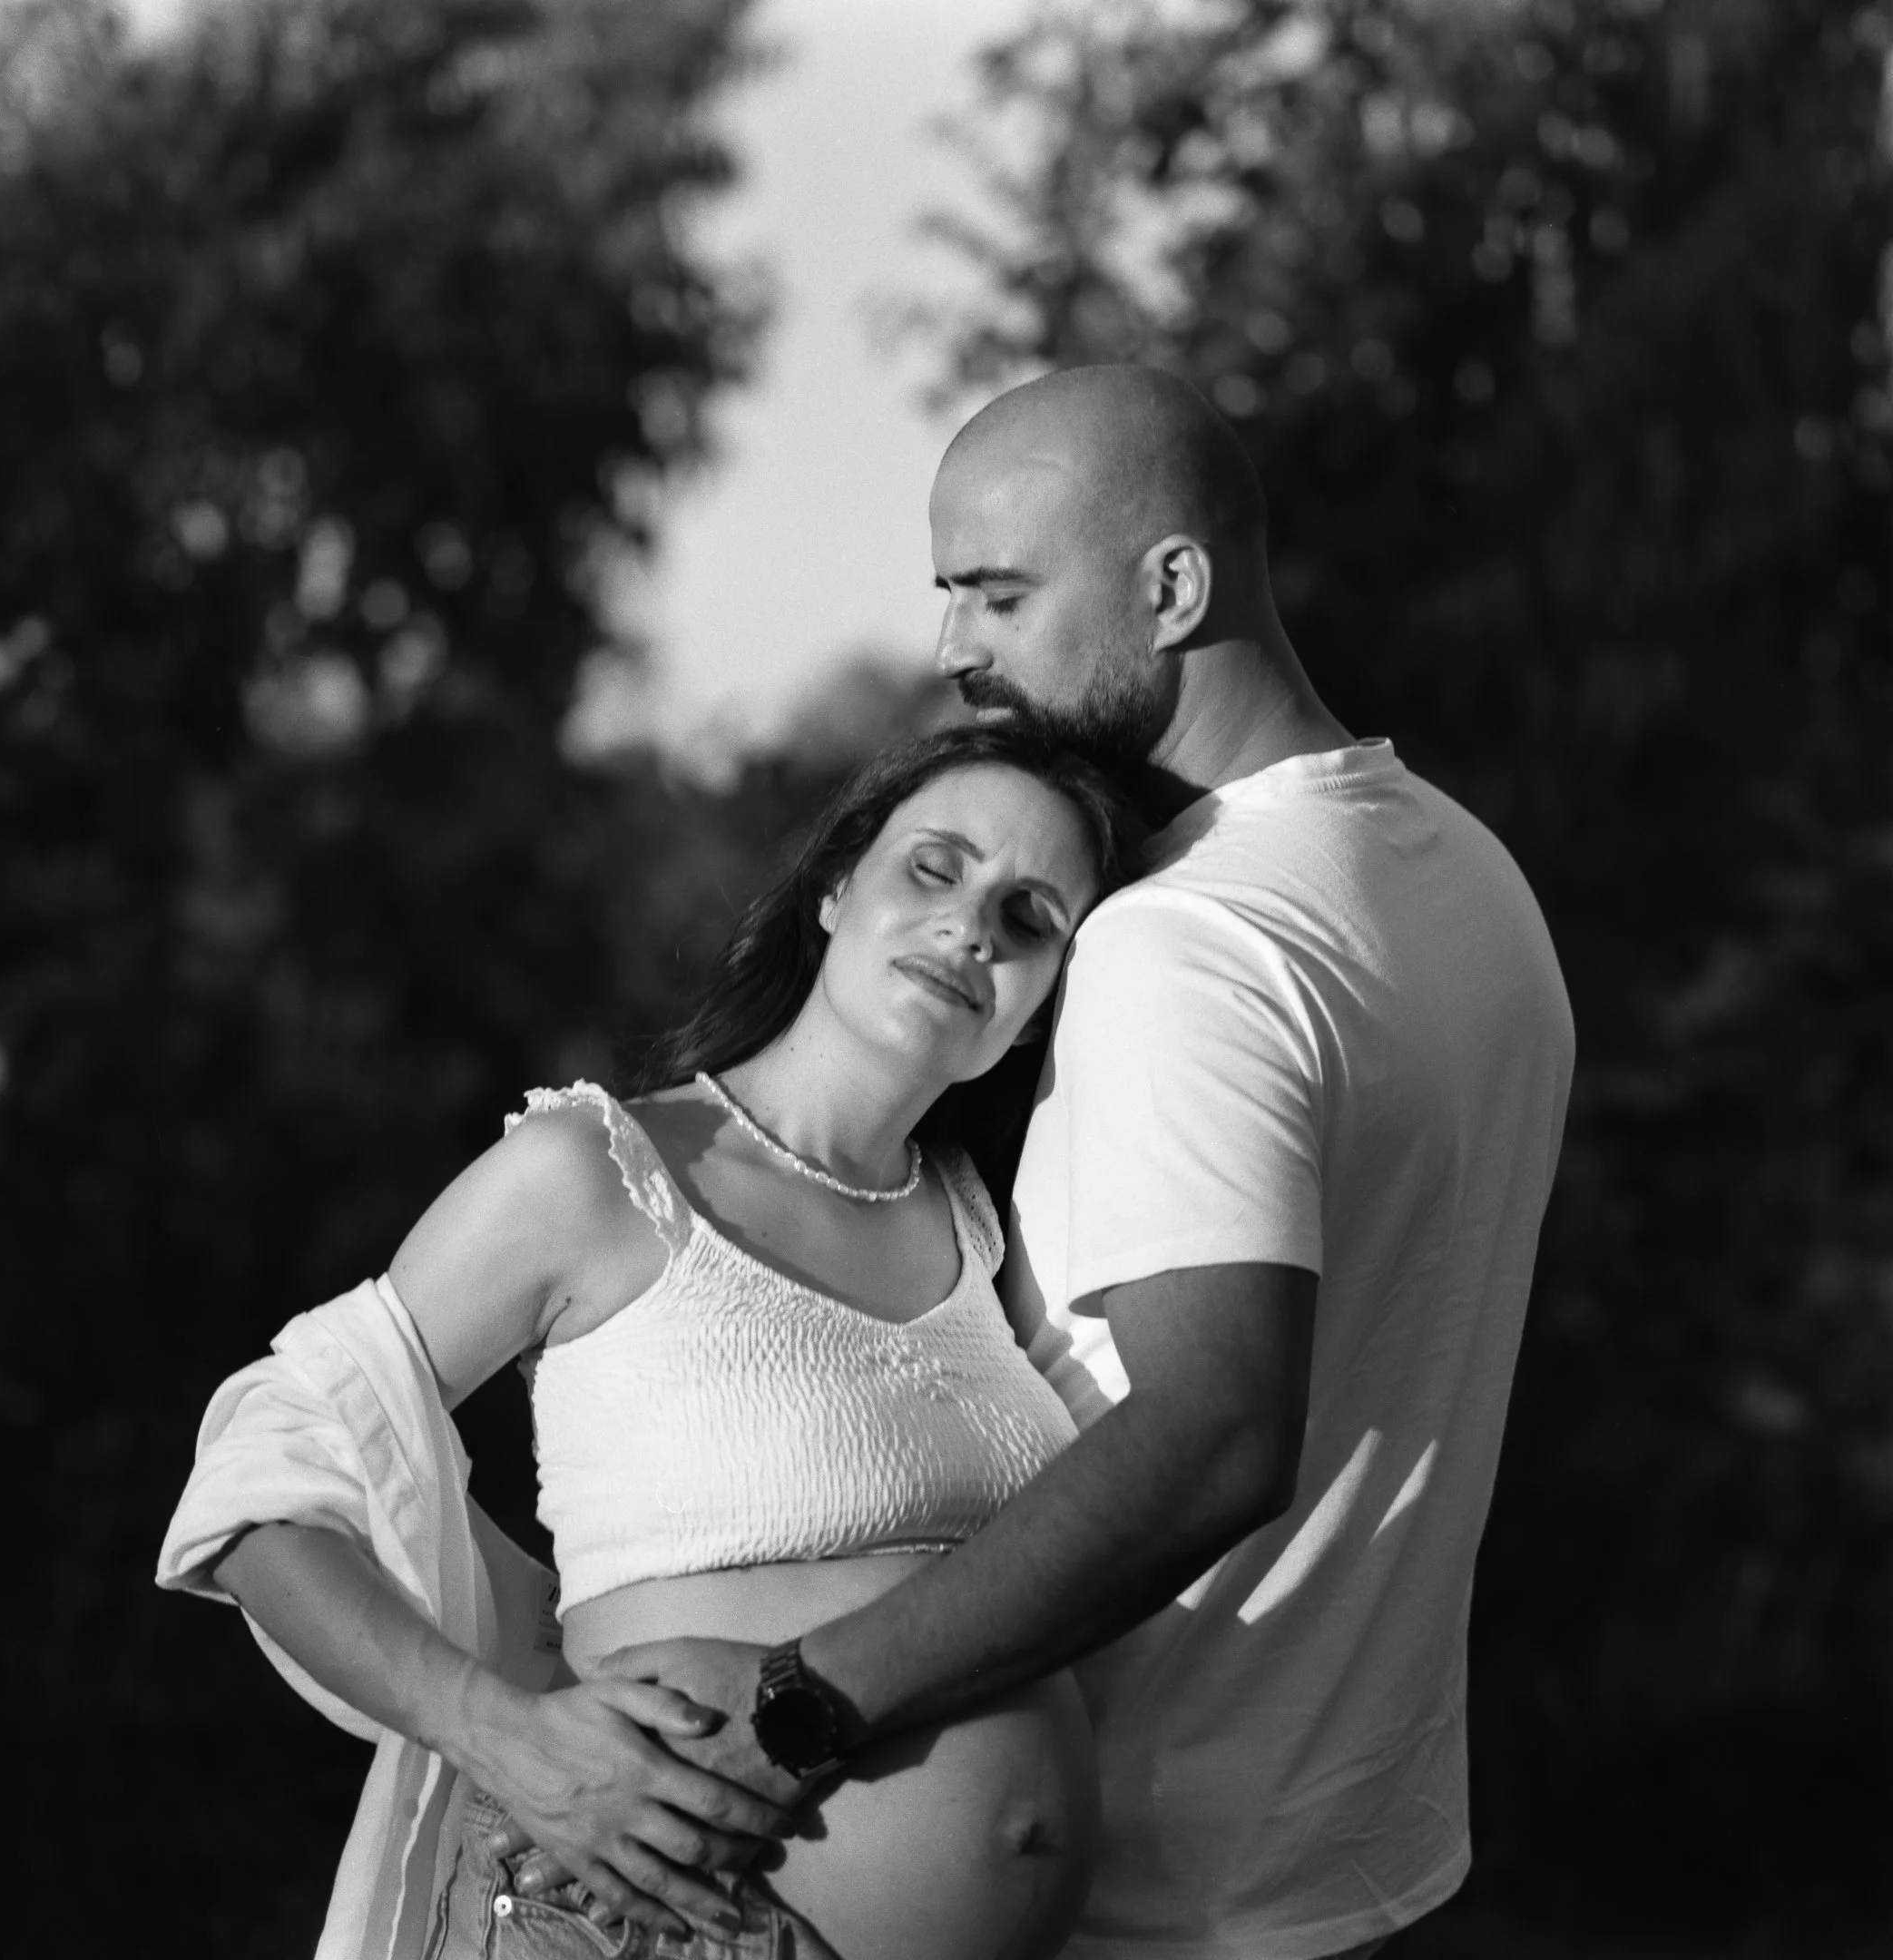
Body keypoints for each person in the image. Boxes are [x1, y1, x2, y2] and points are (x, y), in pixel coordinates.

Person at [554, 364, 1576, 1960]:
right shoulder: (1466, 878)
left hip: (1155, 1891)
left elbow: (1215, 1430)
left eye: (1001, 595)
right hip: (1347, 1861)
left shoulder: (1188, 941)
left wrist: (801, 1711)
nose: (957, 652)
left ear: (1173, 588)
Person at [156, 721, 1145, 1960]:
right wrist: (498, 1731)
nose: (971, 930)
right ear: (835, 891)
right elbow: (262, 1477)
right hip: (651, 1927)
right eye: (934, 869)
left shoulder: (987, 1232)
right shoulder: (602, 1174)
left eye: (1031, 916)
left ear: (1038, 1004)